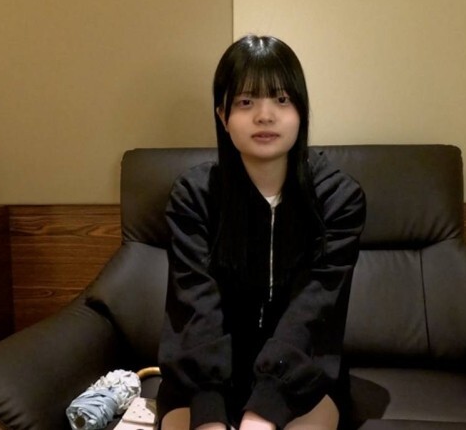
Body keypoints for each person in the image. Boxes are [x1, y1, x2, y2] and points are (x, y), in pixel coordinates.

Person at [157, 34, 366, 430]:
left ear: (301, 111)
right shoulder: (194, 196)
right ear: (222, 115)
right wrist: (209, 413)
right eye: (246, 102)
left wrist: (263, 411)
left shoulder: (339, 197)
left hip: (300, 378)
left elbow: (316, 310)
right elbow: (195, 306)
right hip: (204, 380)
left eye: (281, 100)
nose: (265, 116)